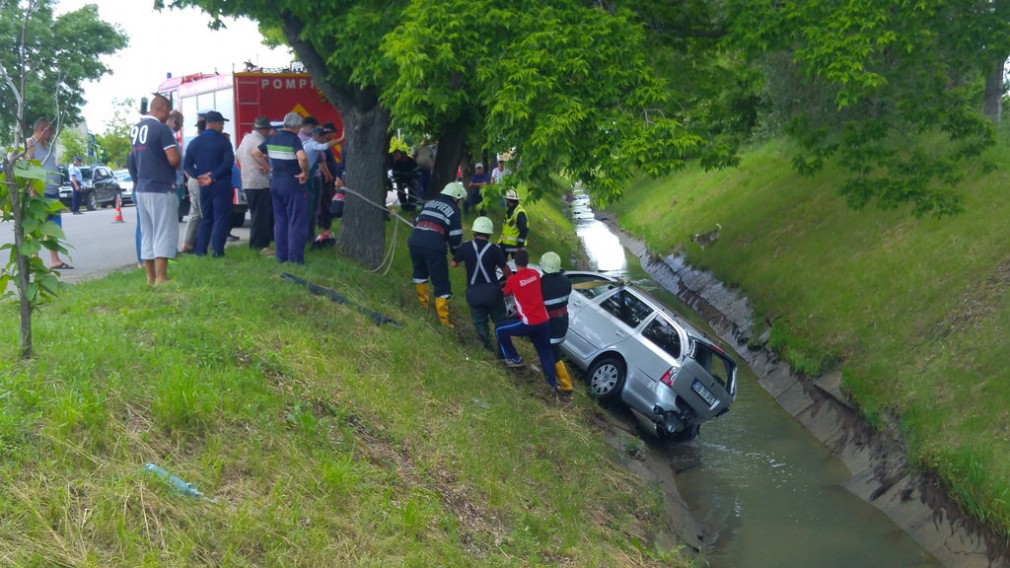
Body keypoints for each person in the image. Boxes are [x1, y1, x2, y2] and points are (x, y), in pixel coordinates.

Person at [127, 95, 181, 285]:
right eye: (169, 112)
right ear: (164, 108)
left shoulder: (135, 129)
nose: (169, 116)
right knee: (163, 231)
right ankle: (161, 276)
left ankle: (149, 277)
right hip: (160, 187)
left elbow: (132, 160)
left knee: (147, 232)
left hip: (141, 187)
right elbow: (173, 159)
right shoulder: (161, 129)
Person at [252, 112, 310, 264]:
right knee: (296, 221)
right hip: (292, 185)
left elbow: (256, 152)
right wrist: (304, 172)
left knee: (280, 221)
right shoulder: (294, 140)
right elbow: (302, 157)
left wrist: (269, 168)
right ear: (297, 126)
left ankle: (281, 255)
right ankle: (295, 258)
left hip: (276, 184)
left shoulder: (272, 138)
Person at [494, 249, 556, 390]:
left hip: (528, 323)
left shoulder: (513, 280)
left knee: (499, 329)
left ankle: (514, 358)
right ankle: (552, 384)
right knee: (545, 353)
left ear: (515, 263)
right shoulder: (535, 274)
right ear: (528, 262)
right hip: (544, 321)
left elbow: (505, 293)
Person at [408, 181, 466, 327]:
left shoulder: (429, 203)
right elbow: (455, 236)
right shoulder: (454, 210)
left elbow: (416, 221)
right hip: (433, 245)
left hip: (414, 241)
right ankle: (444, 320)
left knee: (420, 274)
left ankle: (424, 308)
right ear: (456, 198)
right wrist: (456, 254)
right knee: (441, 281)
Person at [451, 216, 512, 352]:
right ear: (489, 234)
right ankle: (504, 350)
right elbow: (506, 269)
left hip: (474, 294)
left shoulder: (466, 246)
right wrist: (511, 279)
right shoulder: (495, 249)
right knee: (500, 322)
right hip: (493, 293)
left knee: (480, 323)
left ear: (474, 232)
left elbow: (453, 264)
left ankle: (488, 348)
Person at [183, 110, 235, 257]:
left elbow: (187, 165)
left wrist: (198, 176)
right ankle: (218, 251)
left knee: (206, 218)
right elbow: (228, 163)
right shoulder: (223, 142)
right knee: (221, 218)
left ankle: (201, 250)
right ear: (216, 124)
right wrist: (213, 176)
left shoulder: (194, 143)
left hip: (204, 186)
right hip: (221, 184)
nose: (223, 127)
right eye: (222, 124)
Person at [25, 117, 73, 269]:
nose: (52, 133)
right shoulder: (30, 144)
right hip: (39, 193)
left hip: (52, 193)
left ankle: (55, 260)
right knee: (35, 227)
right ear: (41, 129)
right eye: (49, 130)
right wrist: (32, 189)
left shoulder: (46, 146)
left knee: (53, 227)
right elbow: (26, 167)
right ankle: (34, 259)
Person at [539, 251, 575, 402]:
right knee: (554, 350)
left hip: (551, 324)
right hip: (563, 321)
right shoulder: (566, 282)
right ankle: (561, 381)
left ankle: (563, 384)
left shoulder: (542, 284)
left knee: (550, 353)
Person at [236, 115, 274, 254]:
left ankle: (256, 244)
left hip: (247, 181)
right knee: (261, 216)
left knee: (255, 214)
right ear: (264, 130)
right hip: (259, 182)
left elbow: (238, 155)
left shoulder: (246, 138)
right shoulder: (259, 141)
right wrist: (268, 167)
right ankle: (260, 245)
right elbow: (256, 154)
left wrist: (247, 167)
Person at [180, 115, 207, 253]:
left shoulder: (191, 142)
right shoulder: (206, 142)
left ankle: (188, 243)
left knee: (194, 213)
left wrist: (190, 178)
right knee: (204, 213)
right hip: (203, 179)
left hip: (192, 179)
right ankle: (202, 245)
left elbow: (185, 164)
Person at [498, 188, 529, 259]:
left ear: (509, 200)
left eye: (506, 200)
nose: (505, 201)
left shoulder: (519, 212)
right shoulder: (511, 211)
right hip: (505, 245)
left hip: (515, 247)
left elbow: (524, 230)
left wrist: (520, 245)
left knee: (517, 267)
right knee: (501, 265)